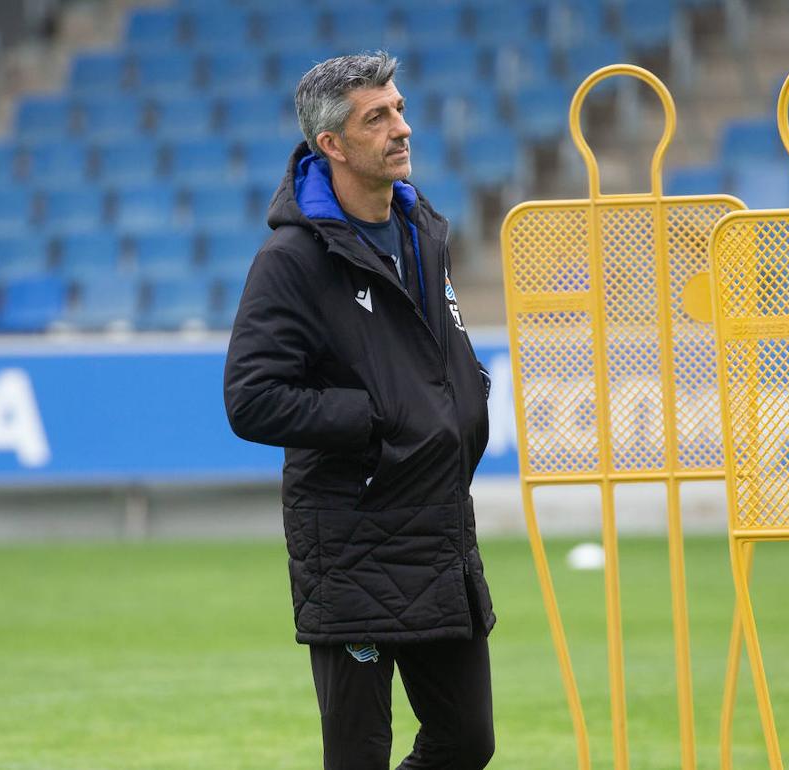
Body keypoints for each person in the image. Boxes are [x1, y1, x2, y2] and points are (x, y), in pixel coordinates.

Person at [223, 52, 495, 770]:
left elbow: (428, 360)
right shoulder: (291, 260)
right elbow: (251, 399)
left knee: (468, 742)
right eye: (378, 118)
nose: (401, 128)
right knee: (358, 757)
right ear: (333, 145)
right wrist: (377, 419)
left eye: (399, 109)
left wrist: (467, 392)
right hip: (352, 543)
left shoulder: (423, 228)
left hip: (438, 530)